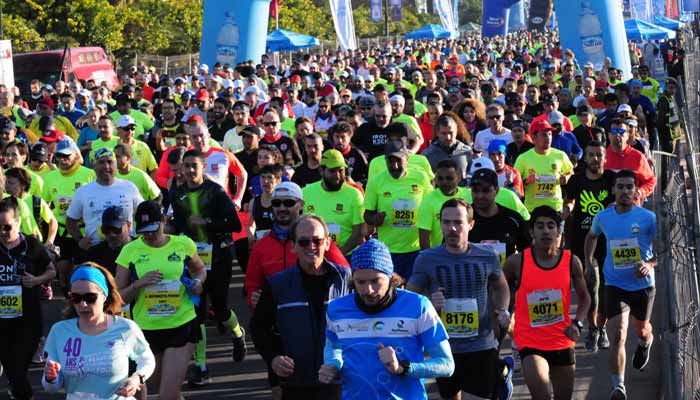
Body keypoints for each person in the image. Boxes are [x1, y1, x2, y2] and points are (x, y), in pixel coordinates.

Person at [319, 239, 455, 399]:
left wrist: (403, 368)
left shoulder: (418, 306)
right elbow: (333, 347)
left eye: (375, 281)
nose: (368, 290)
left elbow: (446, 364)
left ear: (390, 277)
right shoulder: (337, 309)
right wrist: (333, 365)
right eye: (360, 282)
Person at [408, 198, 512, 400]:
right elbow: (411, 296)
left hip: (481, 344)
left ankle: (499, 375)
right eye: (446, 223)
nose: (452, 228)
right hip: (444, 346)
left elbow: (500, 286)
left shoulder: (487, 255)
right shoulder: (427, 258)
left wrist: (503, 310)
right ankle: (501, 373)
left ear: (470, 225)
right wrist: (429, 302)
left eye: (458, 222)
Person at [168, 149, 247, 385]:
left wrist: (207, 223)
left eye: (195, 165)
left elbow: (233, 222)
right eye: (187, 166)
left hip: (219, 256)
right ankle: (201, 366)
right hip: (193, 260)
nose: (191, 170)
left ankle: (237, 333)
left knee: (221, 309)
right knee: (197, 313)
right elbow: (180, 224)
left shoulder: (215, 192)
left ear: (203, 167)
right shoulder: (177, 193)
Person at [251, 215, 351, 400]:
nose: (311, 246)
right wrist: (272, 358)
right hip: (296, 383)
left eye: (317, 241)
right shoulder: (277, 284)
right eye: (304, 242)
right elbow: (258, 327)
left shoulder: (346, 279)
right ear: (293, 246)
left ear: (328, 243)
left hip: (340, 381)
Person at [115, 200, 206, 399]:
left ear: (164, 221)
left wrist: (198, 282)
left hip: (180, 324)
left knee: (166, 395)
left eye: (153, 229)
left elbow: (199, 269)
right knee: (164, 391)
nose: (148, 235)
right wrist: (138, 284)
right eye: (144, 231)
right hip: (146, 330)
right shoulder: (129, 251)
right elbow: (119, 297)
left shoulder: (183, 244)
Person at [584, 169, 658, 400]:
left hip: (642, 285)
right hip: (614, 284)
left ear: (636, 191)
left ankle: (646, 342)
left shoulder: (648, 218)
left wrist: (650, 264)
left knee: (641, 330)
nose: (625, 191)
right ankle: (619, 387)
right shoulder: (603, 216)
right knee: (618, 336)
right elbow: (592, 236)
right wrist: (588, 261)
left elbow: (663, 248)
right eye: (621, 187)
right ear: (613, 190)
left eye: (629, 187)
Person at [503, 206, 591, 400]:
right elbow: (500, 287)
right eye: (540, 226)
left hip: (561, 338)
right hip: (529, 340)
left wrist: (578, 323)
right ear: (531, 231)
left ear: (558, 231)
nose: (545, 231)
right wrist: (505, 311)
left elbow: (585, 297)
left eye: (551, 226)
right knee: (541, 395)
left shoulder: (571, 262)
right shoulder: (517, 262)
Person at [43, 263, 156, 399]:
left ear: (104, 296)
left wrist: (137, 378)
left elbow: (147, 360)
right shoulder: (59, 331)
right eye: (76, 298)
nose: (83, 304)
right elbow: (51, 388)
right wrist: (51, 378)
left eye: (90, 298)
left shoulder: (125, 328)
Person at [0, 197, 56, 399]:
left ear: (18, 222)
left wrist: (36, 280)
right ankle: (21, 392)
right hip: (1, 321)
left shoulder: (31, 245)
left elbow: (51, 271)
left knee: (19, 367)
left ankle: (19, 390)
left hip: (28, 319)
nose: (3, 232)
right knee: (12, 367)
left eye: (7, 227)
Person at [563, 141, 616, 353]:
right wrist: (563, 214)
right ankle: (593, 328)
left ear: (605, 158)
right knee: (591, 287)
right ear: (585, 158)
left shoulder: (611, 179)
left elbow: (618, 201)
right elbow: (570, 202)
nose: (595, 159)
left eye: (599, 155)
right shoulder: (576, 180)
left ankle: (601, 328)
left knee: (606, 289)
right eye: (591, 155)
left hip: (608, 241)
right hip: (582, 241)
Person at [363, 140, 432, 279]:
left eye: (398, 161)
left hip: (416, 249)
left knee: (413, 292)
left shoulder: (420, 177)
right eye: (390, 161)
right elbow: (367, 215)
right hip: (388, 250)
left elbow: (430, 206)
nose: (394, 166)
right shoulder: (376, 181)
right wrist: (375, 219)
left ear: (407, 158)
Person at [41, 139, 96, 288]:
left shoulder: (89, 174)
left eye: (67, 156)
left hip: (82, 231)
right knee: (63, 270)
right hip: (62, 230)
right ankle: (67, 297)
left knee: (79, 270)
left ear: (76, 155)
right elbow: (43, 204)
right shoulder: (51, 177)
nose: (63, 160)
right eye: (60, 156)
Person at [66, 148, 143, 250]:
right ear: (94, 165)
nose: (106, 167)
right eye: (101, 162)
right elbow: (70, 220)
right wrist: (80, 239)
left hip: (126, 248)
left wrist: (138, 237)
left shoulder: (129, 187)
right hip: (96, 249)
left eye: (110, 162)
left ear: (115, 165)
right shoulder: (83, 192)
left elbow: (143, 211)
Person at [302, 150, 365, 255]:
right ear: (321, 171)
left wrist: (338, 254)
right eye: (332, 171)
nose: (337, 176)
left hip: (347, 256)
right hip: (314, 255)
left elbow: (359, 232)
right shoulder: (306, 193)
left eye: (341, 170)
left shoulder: (354, 194)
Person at [469, 168, 532, 267]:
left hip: (507, 281)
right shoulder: (463, 219)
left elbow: (528, 254)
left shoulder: (513, 219)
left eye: (486, 191)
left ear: (497, 190)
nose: (480, 195)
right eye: (475, 191)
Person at [514, 120, 574, 212]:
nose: (548, 138)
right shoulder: (523, 158)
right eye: (544, 135)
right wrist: (526, 181)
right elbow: (514, 183)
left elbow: (570, 172)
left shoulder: (560, 155)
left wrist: (566, 177)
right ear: (533, 138)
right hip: (532, 210)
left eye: (550, 134)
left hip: (555, 208)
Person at [417, 159, 469, 250]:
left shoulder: (468, 196)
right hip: (440, 257)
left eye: (449, 178)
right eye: (440, 178)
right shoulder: (428, 201)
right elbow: (424, 239)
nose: (444, 182)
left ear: (459, 178)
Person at [604, 118, 656, 202]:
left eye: (621, 132)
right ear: (609, 134)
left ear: (628, 135)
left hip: (631, 209)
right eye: (614, 131)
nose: (617, 134)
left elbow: (651, 180)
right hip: (607, 208)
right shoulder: (602, 156)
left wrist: (640, 192)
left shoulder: (638, 157)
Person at [83, 206, 135, 277]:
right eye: (106, 230)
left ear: (128, 226)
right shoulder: (95, 255)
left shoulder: (142, 248)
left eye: (116, 230)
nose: (112, 235)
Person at [422, 112, 473, 182]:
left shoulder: (467, 152)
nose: (448, 137)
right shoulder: (427, 155)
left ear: (456, 131)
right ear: (437, 133)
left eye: (451, 133)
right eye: (444, 133)